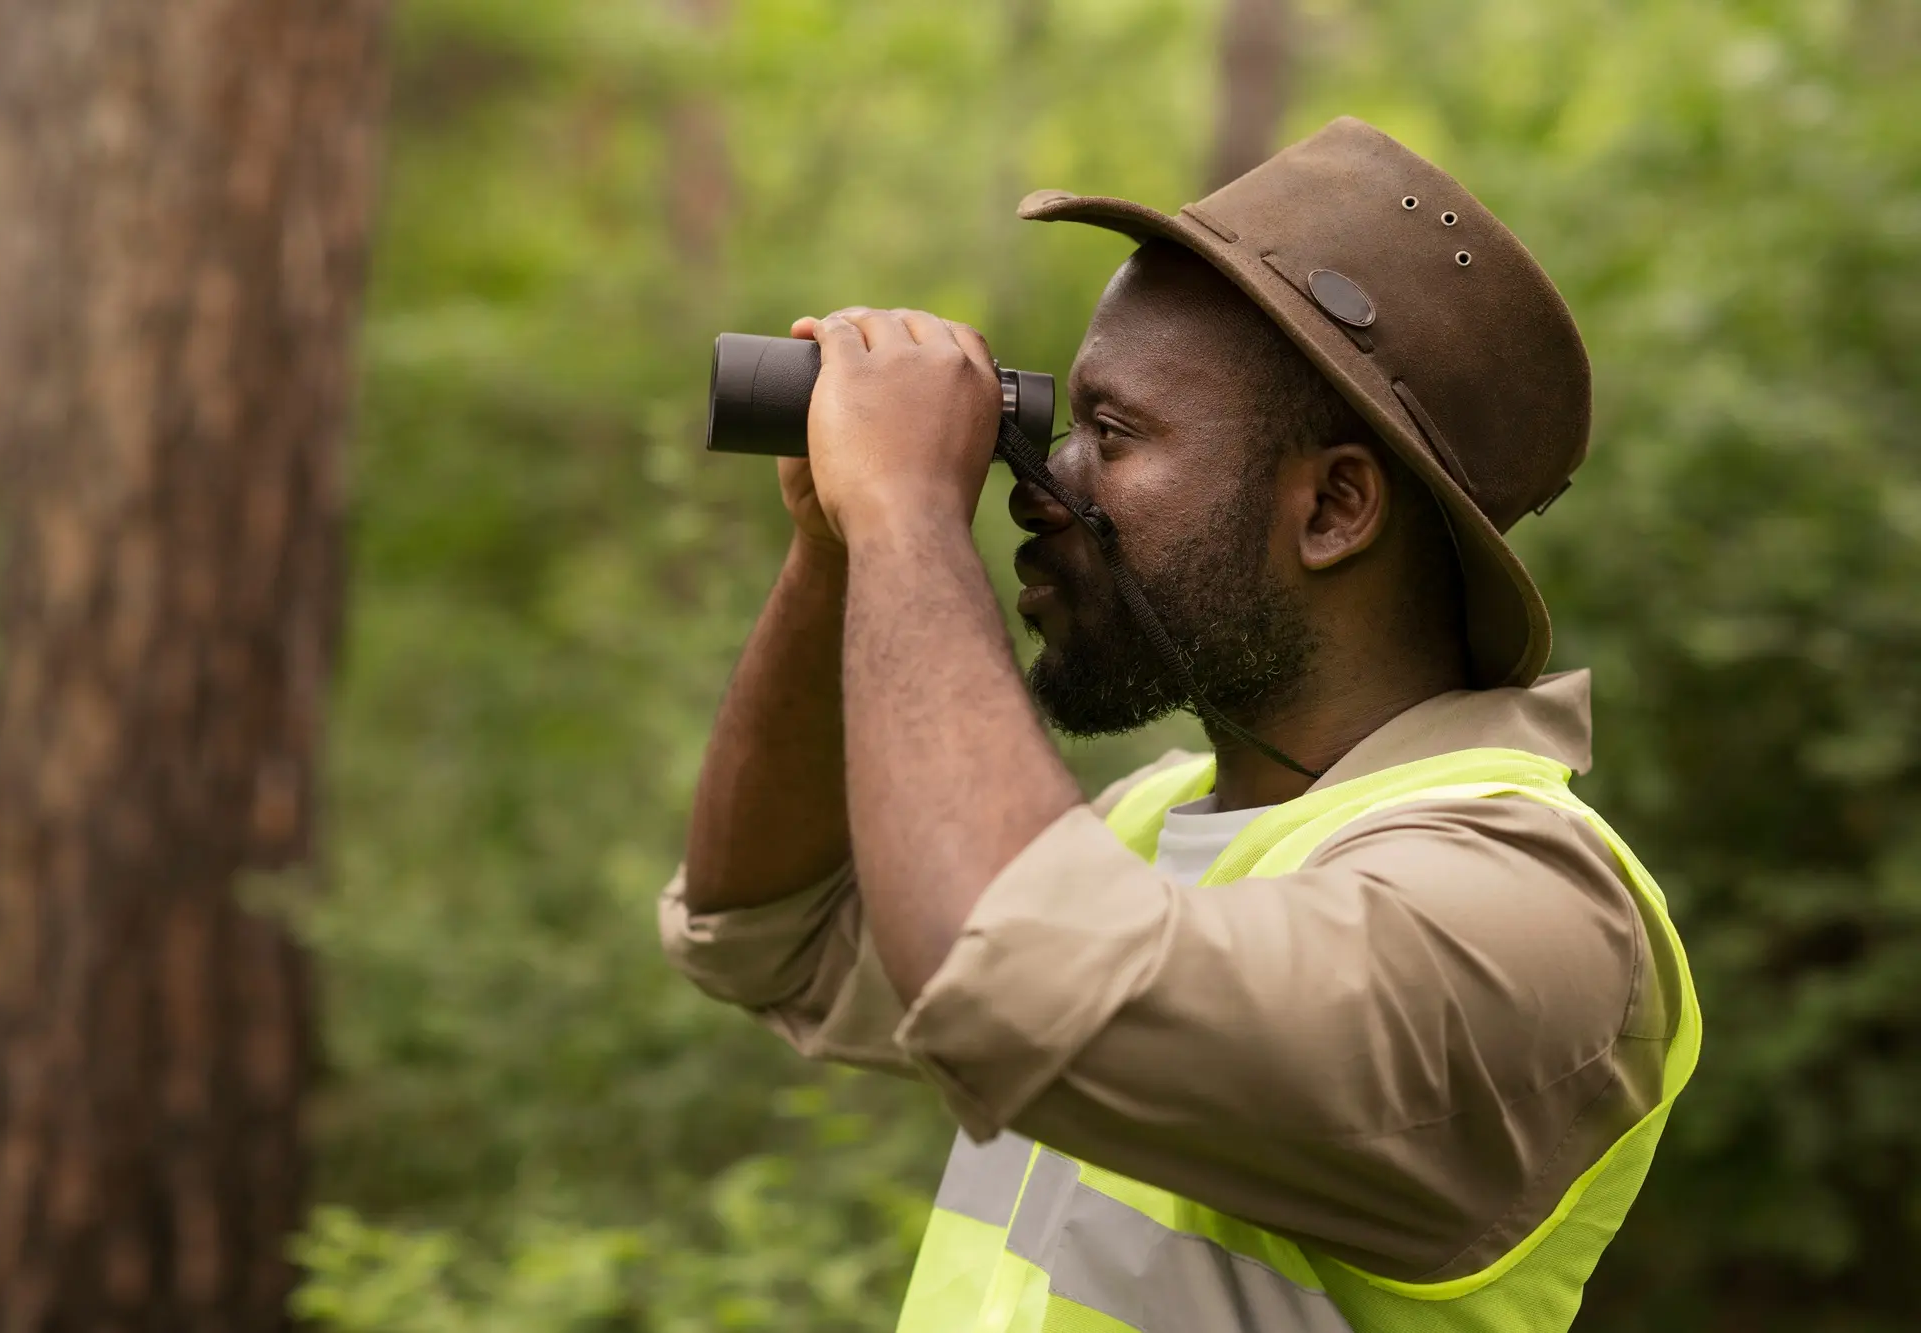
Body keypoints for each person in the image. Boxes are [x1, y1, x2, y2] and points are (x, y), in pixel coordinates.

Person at [660, 117, 1699, 1333]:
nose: (1043, 482)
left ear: (1333, 508)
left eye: (1114, 433)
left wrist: (905, 514)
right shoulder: (1158, 825)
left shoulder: (1527, 913)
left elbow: (1013, 970)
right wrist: (838, 551)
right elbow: (766, 930)